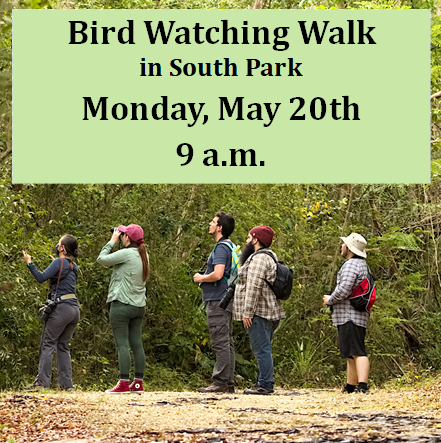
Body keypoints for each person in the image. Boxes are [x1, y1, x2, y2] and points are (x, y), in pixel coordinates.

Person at [22, 234, 80, 391]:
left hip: (61, 308)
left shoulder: (59, 262)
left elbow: (41, 277)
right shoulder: (74, 266)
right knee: (63, 345)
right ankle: (67, 386)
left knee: (48, 344)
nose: (57, 245)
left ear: (62, 248)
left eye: (59, 243)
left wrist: (29, 263)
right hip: (74, 309)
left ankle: (42, 383)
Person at [97, 224, 149, 394]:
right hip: (138, 306)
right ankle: (138, 382)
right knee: (136, 343)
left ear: (127, 238)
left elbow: (102, 259)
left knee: (122, 345)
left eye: (123, 234)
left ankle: (124, 382)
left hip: (121, 305)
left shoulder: (126, 254)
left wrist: (112, 241)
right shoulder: (144, 255)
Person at [233, 226, 285, 395]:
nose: (247, 241)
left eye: (249, 237)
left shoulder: (259, 259)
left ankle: (265, 384)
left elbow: (253, 286)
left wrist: (247, 312)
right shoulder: (269, 257)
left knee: (261, 348)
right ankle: (263, 381)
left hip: (259, 311)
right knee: (264, 347)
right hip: (268, 310)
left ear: (255, 240)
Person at [323, 233, 371, 394]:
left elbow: (343, 289)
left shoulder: (351, 265)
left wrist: (330, 300)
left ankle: (362, 385)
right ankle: (350, 386)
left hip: (350, 315)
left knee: (357, 351)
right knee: (350, 352)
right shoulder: (362, 265)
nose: (341, 246)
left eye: (344, 244)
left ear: (349, 248)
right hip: (354, 315)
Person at [193, 212, 236, 393]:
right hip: (226, 298)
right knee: (227, 340)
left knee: (219, 340)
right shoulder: (230, 246)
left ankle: (220, 382)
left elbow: (218, 274)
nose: (209, 224)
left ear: (220, 228)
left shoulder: (220, 248)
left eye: (213, 222)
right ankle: (228, 381)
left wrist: (201, 278)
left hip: (218, 300)